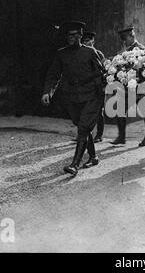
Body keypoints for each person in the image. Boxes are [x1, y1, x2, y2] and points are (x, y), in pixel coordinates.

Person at [42, 21, 105, 176]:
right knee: (82, 126)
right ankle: (93, 156)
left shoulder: (91, 52)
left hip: (91, 96)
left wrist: (100, 95)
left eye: (75, 34)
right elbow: (53, 75)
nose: (71, 37)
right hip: (72, 97)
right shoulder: (61, 53)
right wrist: (47, 92)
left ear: (80, 35)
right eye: (69, 35)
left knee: (83, 128)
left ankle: (74, 164)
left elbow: (101, 74)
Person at [110, 26, 145, 147]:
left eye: (125, 38)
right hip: (126, 89)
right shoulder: (124, 51)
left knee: (144, 112)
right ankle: (121, 137)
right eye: (122, 39)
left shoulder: (141, 49)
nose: (123, 41)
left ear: (132, 36)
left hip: (140, 87)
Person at [82, 31, 105, 142]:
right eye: (85, 41)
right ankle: (83, 134)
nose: (87, 43)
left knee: (99, 112)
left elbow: (103, 70)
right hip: (86, 87)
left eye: (89, 40)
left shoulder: (98, 54)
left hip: (97, 86)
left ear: (93, 41)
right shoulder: (81, 54)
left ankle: (99, 135)